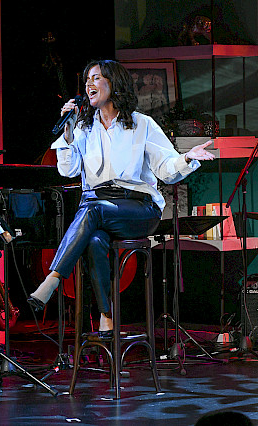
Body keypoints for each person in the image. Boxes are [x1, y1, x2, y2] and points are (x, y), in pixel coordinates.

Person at [27, 59, 215, 338]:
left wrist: (187, 158)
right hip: (99, 206)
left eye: (96, 78)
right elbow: (68, 170)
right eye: (87, 80)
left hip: (139, 208)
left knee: (92, 210)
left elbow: (166, 170)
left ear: (114, 84)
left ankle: (53, 278)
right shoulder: (83, 128)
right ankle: (106, 316)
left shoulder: (142, 124)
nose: (89, 85)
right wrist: (67, 134)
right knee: (94, 239)